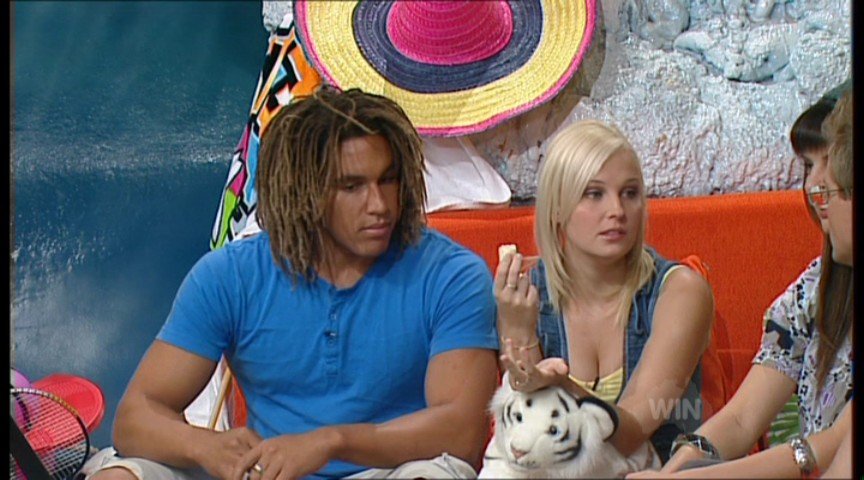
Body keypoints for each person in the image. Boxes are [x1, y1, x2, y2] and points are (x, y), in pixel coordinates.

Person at [85, 87, 500, 480]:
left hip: (390, 470)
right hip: (269, 473)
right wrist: (206, 447)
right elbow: (136, 417)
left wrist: (332, 442)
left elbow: (461, 435)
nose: (379, 205)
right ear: (303, 192)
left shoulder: (452, 275)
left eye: (388, 180)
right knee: (119, 475)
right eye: (352, 186)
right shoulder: (230, 276)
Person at [628, 89, 854, 478]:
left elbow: (825, 448)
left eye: (830, 167)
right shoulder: (813, 291)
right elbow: (741, 418)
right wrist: (680, 465)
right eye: (808, 166)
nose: (815, 188)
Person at [494, 119, 715, 467]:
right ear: (557, 208)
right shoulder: (525, 295)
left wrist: (562, 385)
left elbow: (631, 434)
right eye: (594, 194)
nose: (617, 211)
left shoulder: (680, 292)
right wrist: (518, 331)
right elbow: (531, 443)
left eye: (630, 193)